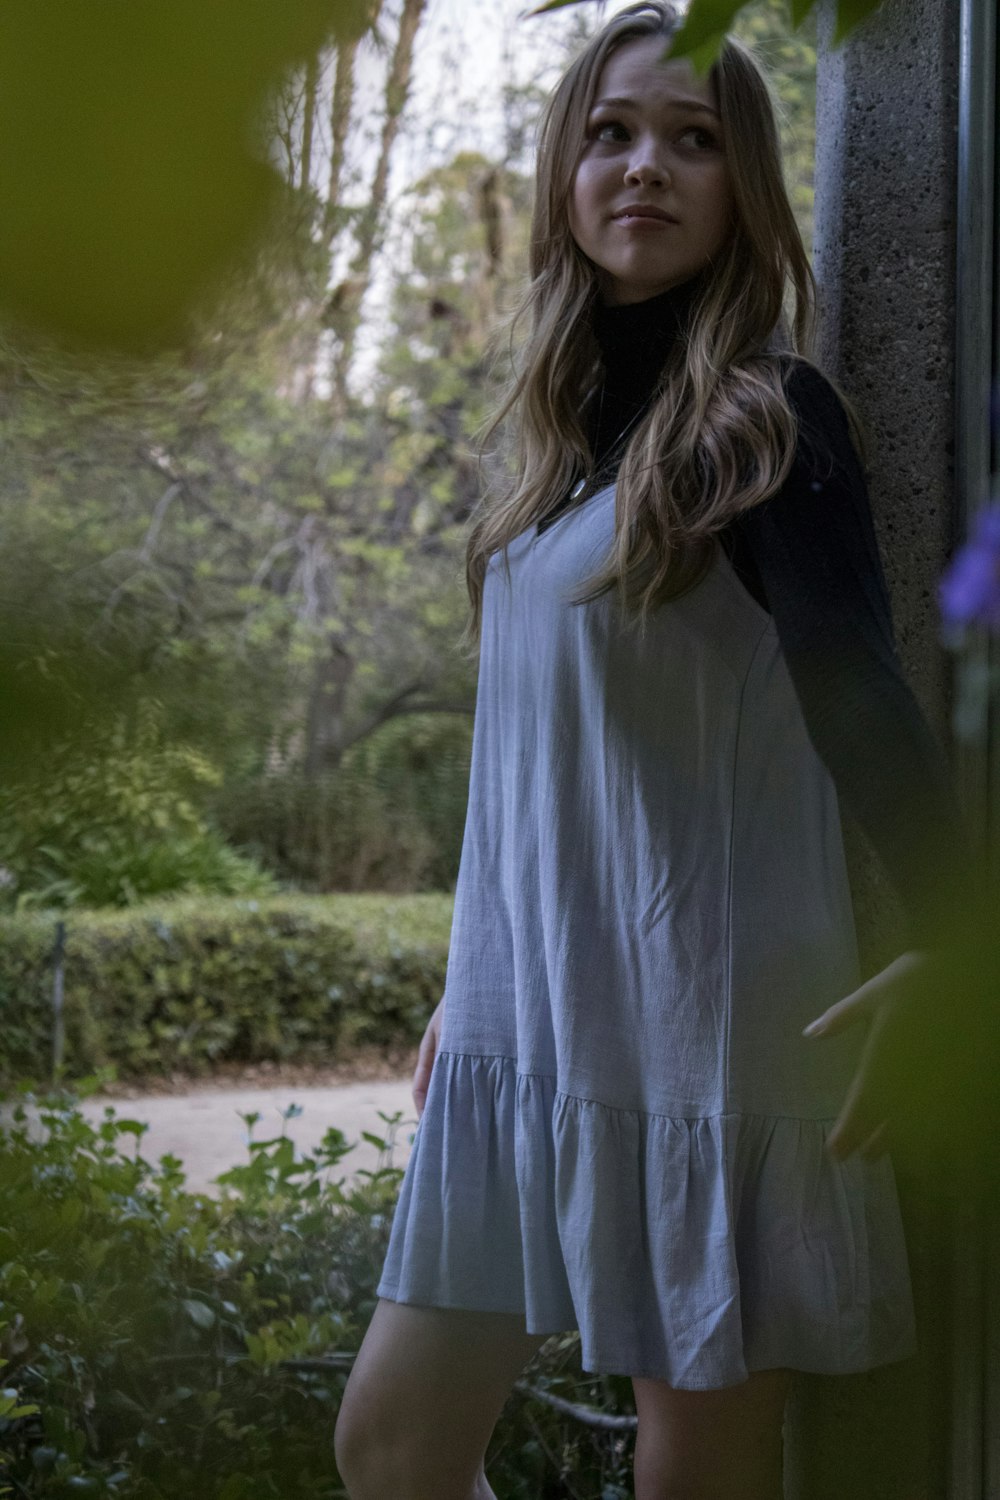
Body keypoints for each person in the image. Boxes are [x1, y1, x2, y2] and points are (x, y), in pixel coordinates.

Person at [334, 5, 977, 1498]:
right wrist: (468, 978)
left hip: (712, 1025)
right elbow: (530, 771)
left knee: (692, 1471)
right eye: (613, 134)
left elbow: (858, 688)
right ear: (566, 170)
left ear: (745, 186)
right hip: (523, 1025)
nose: (647, 168)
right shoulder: (547, 465)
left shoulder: (767, 422)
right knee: (393, 1443)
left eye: (695, 141)